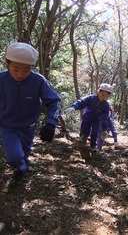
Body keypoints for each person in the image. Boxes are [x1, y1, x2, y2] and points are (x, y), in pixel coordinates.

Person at [0, 42, 61, 185]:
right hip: (7, 126)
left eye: (26, 70)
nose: (21, 74)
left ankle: (24, 163)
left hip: (29, 126)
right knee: (14, 157)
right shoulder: (1, 79)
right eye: (15, 69)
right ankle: (20, 168)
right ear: (7, 63)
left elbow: (55, 101)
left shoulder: (38, 80)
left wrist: (51, 123)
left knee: (25, 152)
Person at [65, 83, 113, 151]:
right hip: (87, 117)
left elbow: (105, 118)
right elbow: (81, 102)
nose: (104, 98)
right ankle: (83, 138)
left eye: (107, 97)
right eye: (103, 95)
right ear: (98, 91)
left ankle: (93, 146)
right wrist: (74, 107)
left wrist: (104, 129)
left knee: (95, 132)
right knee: (84, 128)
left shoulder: (106, 105)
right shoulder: (90, 98)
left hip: (97, 120)